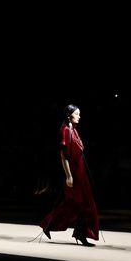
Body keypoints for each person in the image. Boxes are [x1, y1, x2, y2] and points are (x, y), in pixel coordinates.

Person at [39, 105, 99, 246]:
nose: (79, 116)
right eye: (77, 114)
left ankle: (74, 231)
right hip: (74, 174)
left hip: (81, 173)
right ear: (69, 115)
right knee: (79, 204)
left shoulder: (74, 130)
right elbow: (63, 156)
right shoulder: (66, 130)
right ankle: (53, 225)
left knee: (80, 204)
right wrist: (69, 176)